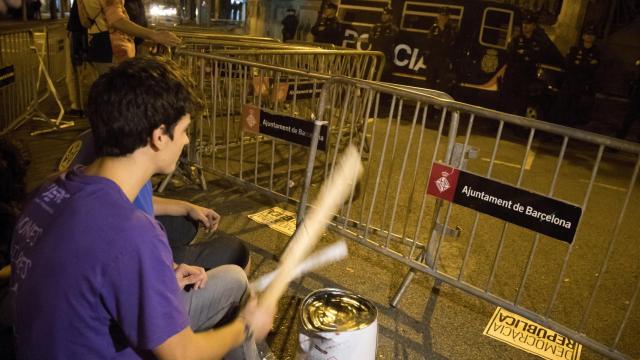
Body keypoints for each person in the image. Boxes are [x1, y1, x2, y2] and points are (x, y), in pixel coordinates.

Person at [10, 57, 275, 359]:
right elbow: (181, 354)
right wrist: (247, 325)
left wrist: (162, 274)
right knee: (237, 304)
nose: (187, 141)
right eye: (185, 129)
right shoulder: (132, 232)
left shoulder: (47, 191)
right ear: (159, 137)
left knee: (231, 278)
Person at [79, 0, 180, 73]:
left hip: (105, 47)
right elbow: (116, 20)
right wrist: (154, 35)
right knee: (119, 95)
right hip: (114, 51)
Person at [500, 12, 560, 117]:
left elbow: (542, 56)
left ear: (533, 26)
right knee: (506, 102)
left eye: (528, 24)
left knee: (522, 103)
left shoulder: (538, 42)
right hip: (513, 75)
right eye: (523, 23)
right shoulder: (516, 40)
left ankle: (517, 128)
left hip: (527, 77)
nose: (525, 26)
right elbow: (510, 55)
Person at [551, 25, 600, 126]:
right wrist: (586, 64)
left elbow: (595, 68)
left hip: (583, 86)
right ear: (583, 36)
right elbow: (568, 64)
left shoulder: (597, 53)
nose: (589, 37)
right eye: (587, 34)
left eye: (592, 35)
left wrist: (580, 65)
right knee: (561, 108)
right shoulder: (575, 50)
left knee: (575, 112)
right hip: (569, 83)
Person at [424, 7, 458, 93]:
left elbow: (452, 43)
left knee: (443, 84)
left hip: (444, 60)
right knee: (430, 82)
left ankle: (438, 105)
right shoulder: (433, 28)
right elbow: (428, 43)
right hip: (432, 59)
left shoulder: (452, 29)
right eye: (441, 15)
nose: (443, 18)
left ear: (448, 17)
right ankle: (429, 104)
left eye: (445, 16)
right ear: (438, 16)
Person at [369, 5, 398, 81]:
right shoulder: (375, 27)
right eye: (383, 14)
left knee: (383, 80)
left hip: (386, 59)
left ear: (391, 16)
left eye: (387, 15)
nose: (384, 16)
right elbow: (370, 39)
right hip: (374, 58)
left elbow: (390, 42)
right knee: (371, 79)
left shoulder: (394, 29)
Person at [616, 58, 640, 140]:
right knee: (627, 122)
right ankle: (617, 143)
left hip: (636, 100)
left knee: (628, 122)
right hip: (636, 100)